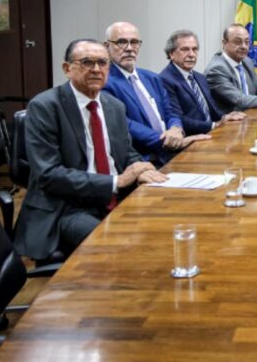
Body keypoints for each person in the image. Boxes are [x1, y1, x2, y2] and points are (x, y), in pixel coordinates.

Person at [13, 39, 167, 260]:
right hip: (67, 206)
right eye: (87, 62)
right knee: (117, 246)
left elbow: (126, 152)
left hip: (116, 196)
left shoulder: (114, 106)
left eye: (102, 63)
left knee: (163, 226)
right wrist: (116, 182)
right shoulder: (45, 107)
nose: (96, 69)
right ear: (67, 68)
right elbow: (48, 174)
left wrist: (142, 169)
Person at [103, 21, 208, 165]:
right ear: (107, 46)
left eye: (134, 42)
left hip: (172, 152)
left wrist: (176, 128)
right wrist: (168, 141)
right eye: (121, 42)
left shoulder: (151, 77)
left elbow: (170, 111)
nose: (129, 48)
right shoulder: (105, 83)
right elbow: (125, 124)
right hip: (144, 159)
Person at [160, 30, 246, 135]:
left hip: (212, 134)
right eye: (185, 49)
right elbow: (178, 119)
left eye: (194, 49)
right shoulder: (165, 80)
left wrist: (225, 117)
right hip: (191, 139)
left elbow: (212, 109)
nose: (191, 54)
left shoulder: (200, 77)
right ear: (171, 53)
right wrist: (213, 125)